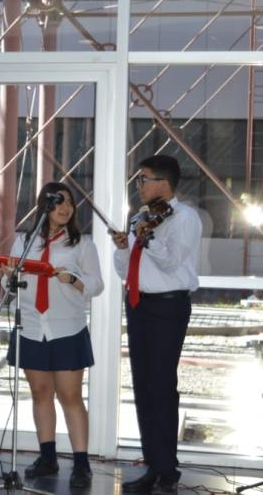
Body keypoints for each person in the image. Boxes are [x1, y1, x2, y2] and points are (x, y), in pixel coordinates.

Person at [0, 182, 103, 489]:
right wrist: (7, 277)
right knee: (41, 393)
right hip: (30, 326)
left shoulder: (81, 244)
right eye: (57, 203)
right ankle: (48, 457)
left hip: (67, 327)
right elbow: (10, 288)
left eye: (69, 203)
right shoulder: (25, 242)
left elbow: (97, 285)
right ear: (45, 207)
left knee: (70, 396)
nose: (65, 208)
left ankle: (81, 464)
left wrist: (73, 279)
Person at [112, 155, 201, 494]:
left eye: (144, 179)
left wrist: (146, 238)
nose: (139, 185)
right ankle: (153, 464)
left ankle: (167, 469)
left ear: (164, 183)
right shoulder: (141, 218)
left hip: (167, 307)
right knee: (143, 387)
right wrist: (124, 248)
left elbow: (171, 262)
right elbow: (125, 271)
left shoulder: (184, 219)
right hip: (138, 305)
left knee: (161, 387)